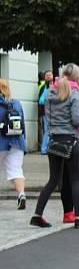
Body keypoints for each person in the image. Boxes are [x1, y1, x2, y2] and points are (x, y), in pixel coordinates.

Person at [32, 64, 79, 228]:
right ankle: (78, 218)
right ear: (76, 78)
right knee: (76, 179)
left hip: (54, 139)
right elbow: (77, 120)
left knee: (53, 180)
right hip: (71, 139)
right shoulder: (74, 93)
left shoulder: (49, 92)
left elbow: (48, 117)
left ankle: (37, 215)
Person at [0, 79, 27, 209]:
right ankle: (21, 194)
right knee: (16, 170)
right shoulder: (16, 103)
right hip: (17, 142)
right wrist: (24, 143)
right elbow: (23, 124)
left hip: (1, 143)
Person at [37, 70, 54, 154]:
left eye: (49, 75)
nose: (48, 77)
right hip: (46, 112)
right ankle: (44, 150)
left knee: (48, 130)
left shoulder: (53, 85)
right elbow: (41, 101)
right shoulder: (45, 87)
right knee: (48, 130)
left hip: (51, 111)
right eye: (47, 75)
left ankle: (46, 149)